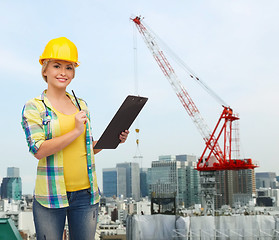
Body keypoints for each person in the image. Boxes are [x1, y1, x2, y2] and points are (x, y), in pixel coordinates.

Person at [21, 37, 129, 240]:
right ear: (45, 70)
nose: (63, 72)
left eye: (69, 67)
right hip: (51, 197)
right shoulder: (34, 107)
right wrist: (74, 131)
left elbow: (86, 149)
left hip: (86, 195)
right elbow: (38, 150)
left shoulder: (82, 105)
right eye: (56, 66)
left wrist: (113, 140)